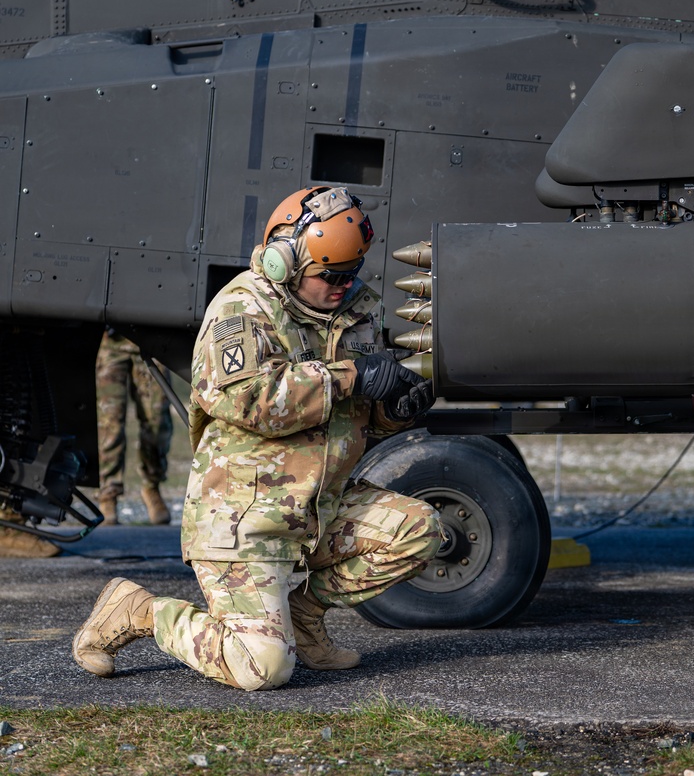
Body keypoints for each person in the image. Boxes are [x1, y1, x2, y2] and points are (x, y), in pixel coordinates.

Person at [73, 186, 440, 691]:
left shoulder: (356, 308)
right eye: (330, 275)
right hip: (242, 517)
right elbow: (248, 398)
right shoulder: (242, 309)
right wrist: (351, 378)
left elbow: (354, 418)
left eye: (351, 272)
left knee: (418, 530)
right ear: (283, 261)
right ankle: (139, 612)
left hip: (315, 507)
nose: (343, 285)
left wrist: (393, 412)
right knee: (261, 667)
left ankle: (302, 617)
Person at [95, 329, 173, 525]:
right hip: (112, 341)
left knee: (157, 421)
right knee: (109, 423)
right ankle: (108, 495)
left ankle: (151, 486)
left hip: (151, 339)